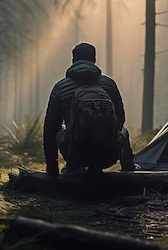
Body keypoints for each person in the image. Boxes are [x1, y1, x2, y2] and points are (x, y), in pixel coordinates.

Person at [43, 42, 137, 177]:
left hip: (75, 155)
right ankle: (128, 168)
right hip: (108, 155)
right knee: (124, 131)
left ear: (73, 60)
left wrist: (52, 168)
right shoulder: (109, 84)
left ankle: (73, 168)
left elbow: (50, 130)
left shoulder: (60, 87)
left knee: (59, 131)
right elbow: (120, 119)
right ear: (94, 60)